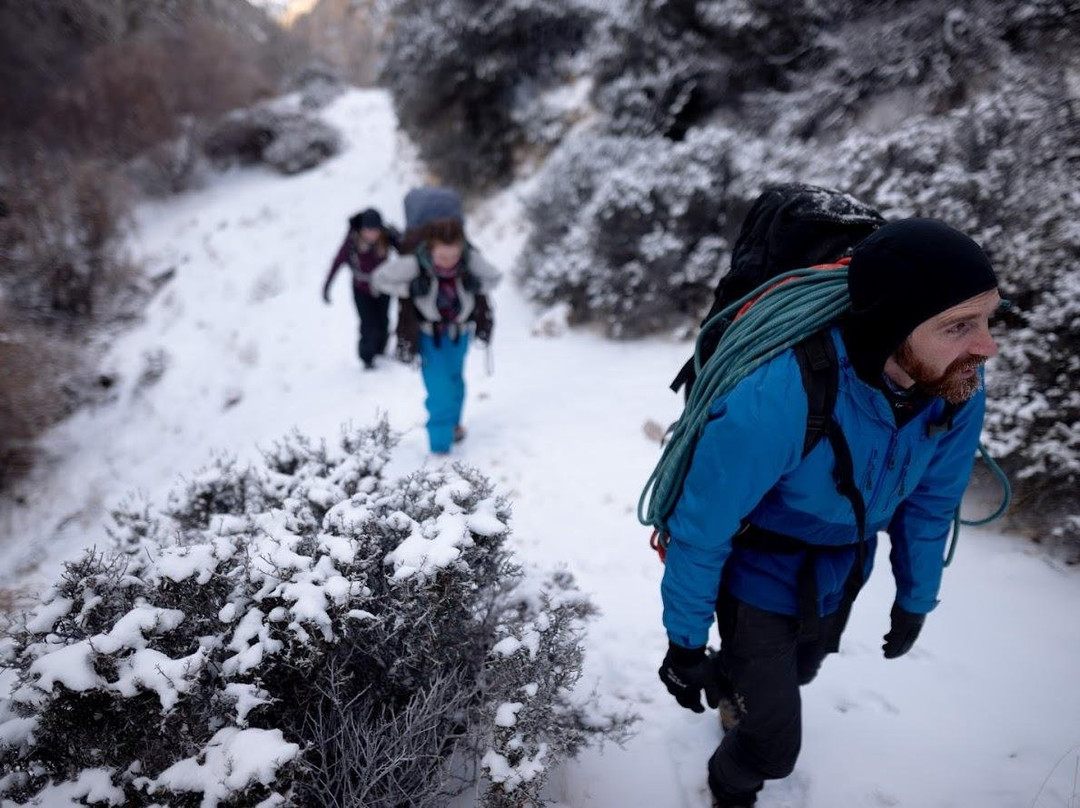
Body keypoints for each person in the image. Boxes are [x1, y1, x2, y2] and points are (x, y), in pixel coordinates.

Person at [656, 218, 1002, 807]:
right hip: (759, 569)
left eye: (989, 318)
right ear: (894, 325)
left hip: (843, 565)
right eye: (959, 325)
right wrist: (685, 645)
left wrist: (916, 597)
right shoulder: (779, 395)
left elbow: (930, 504)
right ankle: (731, 786)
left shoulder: (954, 386)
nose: (987, 345)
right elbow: (702, 529)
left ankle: (742, 686)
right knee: (773, 746)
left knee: (802, 671)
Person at [371, 214, 501, 455]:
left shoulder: (470, 260)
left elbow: (495, 277)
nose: (449, 262)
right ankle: (440, 451)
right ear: (430, 248)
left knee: (455, 381)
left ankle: (454, 426)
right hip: (430, 337)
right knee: (439, 392)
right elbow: (379, 280)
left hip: (460, 335)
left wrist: (477, 285)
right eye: (442, 256)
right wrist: (408, 288)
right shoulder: (413, 264)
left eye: (454, 255)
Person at [323, 208, 399, 370]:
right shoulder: (352, 241)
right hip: (361, 289)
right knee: (368, 324)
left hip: (384, 286)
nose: (372, 234)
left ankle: (380, 349)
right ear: (361, 229)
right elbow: (338, 262)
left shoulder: (386, 237)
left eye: (375, 230)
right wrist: (327, 286)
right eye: (368, 230)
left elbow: (405, 249)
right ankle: (367, 357)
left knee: (383, 321)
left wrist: (399, 237)